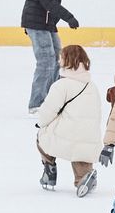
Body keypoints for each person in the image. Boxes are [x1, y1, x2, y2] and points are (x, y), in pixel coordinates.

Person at [32, 47, 104, 199]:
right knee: (81, 153)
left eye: (61, 58)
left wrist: (41, 123)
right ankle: (84, 178)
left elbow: (49, 110)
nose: (59, 61)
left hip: (68, 134)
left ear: (68, 61)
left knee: (42, 137)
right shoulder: (92, 86)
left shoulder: (61, 85)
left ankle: (49, 171)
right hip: (89, 136)